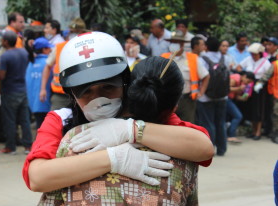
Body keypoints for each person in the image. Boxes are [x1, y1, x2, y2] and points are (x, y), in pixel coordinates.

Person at [23, 32, 213, 197]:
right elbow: (38, 178)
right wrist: (113, 159)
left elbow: (202, 148)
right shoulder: (61, 119)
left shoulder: (143, 110)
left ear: (125, 82)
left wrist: (130, 129)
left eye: (108, 87)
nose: (98, 99)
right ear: (71, 94)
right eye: (86, 92)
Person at [39, 17, 87, 111]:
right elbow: (47, 67)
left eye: (77, 31)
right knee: (55, 123)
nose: (74, 34)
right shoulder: (59, 47)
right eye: (72, 31)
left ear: (83, 32)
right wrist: (43, 89)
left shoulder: (88, 48)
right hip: (60, 97)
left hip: (82, 95)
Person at [161, 30, 210, 123]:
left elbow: (206, 76)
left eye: (176, 42)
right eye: (172, 42)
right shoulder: (163, 57)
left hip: (187, 100)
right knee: (167, 126)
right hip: (167, 99)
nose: (174, 44)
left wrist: (201, 92)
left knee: (187, 126)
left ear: (182, 44)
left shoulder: (192, 58)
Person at [197, 37, 231, 156]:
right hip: (222, 96)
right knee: (220, 122)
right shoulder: (225, 58)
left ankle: (210, 149)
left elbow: (201, 76)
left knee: (208, 123)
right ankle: (222, 149)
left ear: (206, 46)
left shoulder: (201, 59)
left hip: (206, 96)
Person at [0, 31, 32, 154]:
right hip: (23, 90)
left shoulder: (5, 56)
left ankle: (10, 147)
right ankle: (28, 146)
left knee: (10, 120)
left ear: (6, 42)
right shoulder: (24, 52)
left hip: (9, 91)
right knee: (25, 120)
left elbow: (2, 75)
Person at [237, 43, 271, 140]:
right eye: (252, 54)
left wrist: (261, 82)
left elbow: (268, 75)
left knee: (258, 109)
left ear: (260, 53)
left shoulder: (265, 62)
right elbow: (238, 66)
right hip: (249, 86)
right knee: (250, 108)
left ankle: (258, 131)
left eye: (255, 54)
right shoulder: (249, 59)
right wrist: (243, 74)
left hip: (259, 88)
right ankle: (253, 130)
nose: (253, 56)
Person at [26, 37, 54, 128]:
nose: (50, 50)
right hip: (46, 102)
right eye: (49, 48)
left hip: (33, 103)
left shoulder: (31, 63)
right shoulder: (48, 63)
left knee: (40, 128)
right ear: (44, 49)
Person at [227, 71, 255, 143]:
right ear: (244, 76)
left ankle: (229, 135)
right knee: (238, 116)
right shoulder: (236, 78)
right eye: (248, 81)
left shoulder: (241, 82)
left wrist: (244, 97)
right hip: (226, 99)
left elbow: (236, 96)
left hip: (229, 99)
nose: (247, 83)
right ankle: (231, 135)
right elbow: (227, 89)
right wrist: (239, 89)